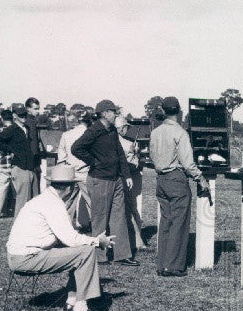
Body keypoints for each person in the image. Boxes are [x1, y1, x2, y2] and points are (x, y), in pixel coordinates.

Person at [5, 163, 113, 311]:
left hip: (17, 255)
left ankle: (71, 300)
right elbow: (71, 239)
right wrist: (97, 241)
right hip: (26, 259)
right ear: (70, 188)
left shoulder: (43, 199)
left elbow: (66, 238)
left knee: (78, 248)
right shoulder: (54, 204)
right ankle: (80, 309)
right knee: (86, 252)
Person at [71, 99, 138, 267]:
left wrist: (127, 175)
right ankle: (99, 257)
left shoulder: (112, 131)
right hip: (100, 180)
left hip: (116, 180)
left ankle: (122, 255)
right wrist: (93, 162)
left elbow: (120, 154)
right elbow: (76, 148)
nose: (116, 114)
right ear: (105, 113)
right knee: (100, 218)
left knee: (119, 217)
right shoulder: (94, 130)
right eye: (113, 111)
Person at [148, 97, 207, 277]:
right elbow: (188, 164)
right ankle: (173, 266)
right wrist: (201, 178)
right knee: (179, 224)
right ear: (179, 111)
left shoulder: (155, 132)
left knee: (166, 221)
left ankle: (162, 264)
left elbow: (152, 156)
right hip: (176, 179)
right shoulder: (180, 133)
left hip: (161, 180)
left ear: (164, 111)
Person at [0, 106, 36, 218]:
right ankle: (16, 215)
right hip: (17, 165)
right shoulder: (15, 129)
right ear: (14, 116)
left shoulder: (24, 129)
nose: (24, 117)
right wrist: (11, 149)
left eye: (25, 115)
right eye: (21, 115)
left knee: (5, 189)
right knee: (19, 194)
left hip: (17, 165)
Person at [115, 114, 146, 253]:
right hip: (127, 179)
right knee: (131, 209)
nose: (127, 130)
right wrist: (138, 156)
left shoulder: (107, 141)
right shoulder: (128, 144)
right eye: (126, 127)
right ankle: (137, 242)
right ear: (122, 128)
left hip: (113, 179)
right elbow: (134, 164)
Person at [57, 110, 92, 229]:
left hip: (70, 173)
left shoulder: (66, 135)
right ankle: (97, 232)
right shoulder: (91, 134)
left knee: (67, 204)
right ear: (89, 120)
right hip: (87, 173)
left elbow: (61, 158)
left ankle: (62, 230)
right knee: (92, 203)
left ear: (77, 120)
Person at [24, 97, 46, 196]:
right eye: (35, 109)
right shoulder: (30, 122)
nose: (37, 111)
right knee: (34, 183)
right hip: (32, 158)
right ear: (28, 108)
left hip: (31, 157)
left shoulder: (30, 120)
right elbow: (32, 142)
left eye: (38, 109)